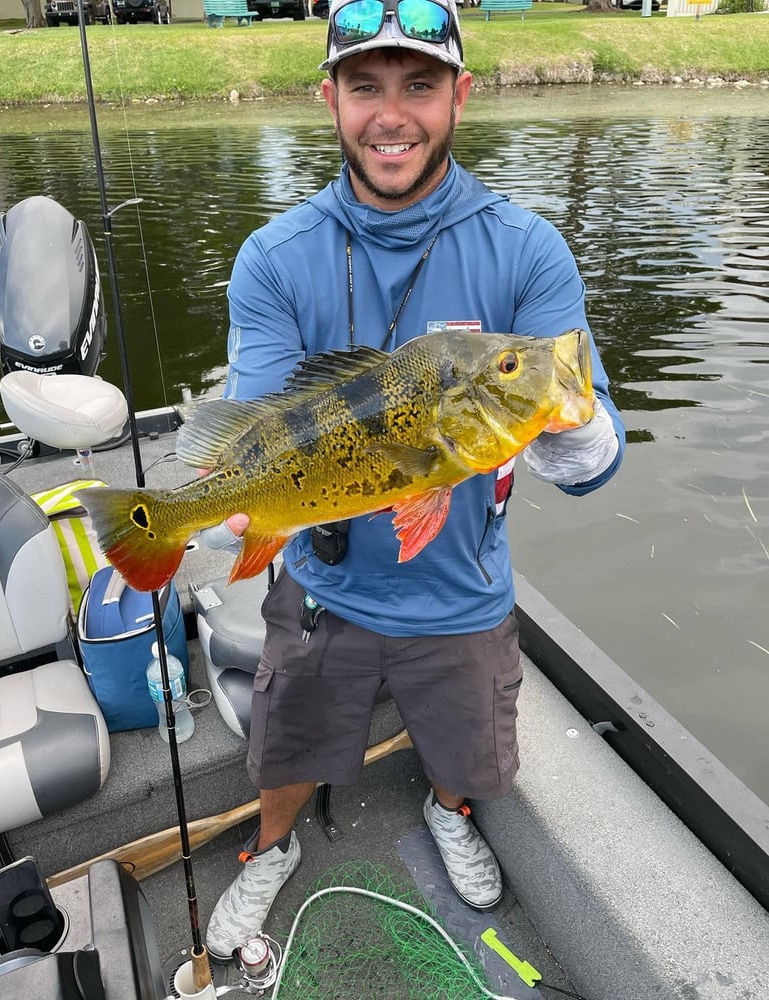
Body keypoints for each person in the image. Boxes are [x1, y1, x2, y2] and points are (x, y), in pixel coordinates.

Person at [203, 0, 625, 962]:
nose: (392, 114)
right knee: (288, 740)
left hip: (463, 589)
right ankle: (269, 848)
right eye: (366, 87)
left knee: (469, 753)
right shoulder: (275, 257)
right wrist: (229, 503)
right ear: (330, 99)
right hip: (325, 579)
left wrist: (573, 423)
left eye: (420, 85)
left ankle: (448, 809)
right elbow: (262, 413)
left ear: (461, 97)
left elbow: (594, 451)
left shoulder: (528, 251)